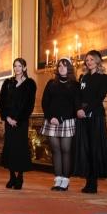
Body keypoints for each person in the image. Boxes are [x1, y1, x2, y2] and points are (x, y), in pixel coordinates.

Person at [73, 50, 107, 193]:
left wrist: (85, 110)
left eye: (91, 59)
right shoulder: (83, 77)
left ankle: (94, 182)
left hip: (95, 116)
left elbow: (99, 98)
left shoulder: (103, 78)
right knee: (85, 148)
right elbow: (77, 96)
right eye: (87, 60)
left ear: (97, 61)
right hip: (82, 117)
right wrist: (78, 109)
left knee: (94, 149)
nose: (89, 62)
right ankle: (88, 181)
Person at [41, 57, 79, 191]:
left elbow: (75, 105)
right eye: (59, 66)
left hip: (67, 121)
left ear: (69, 68)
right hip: (51, 120)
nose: (62, 68)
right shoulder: (51, 83)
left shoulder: (75, 85)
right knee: (55, 150)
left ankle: (65, 180)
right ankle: (58, 179)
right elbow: (45, 102)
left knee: (66, 150)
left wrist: (61, 118)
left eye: (65, 66)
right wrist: (50, 117)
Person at [0, 58, 37, 190]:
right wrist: (7, 118)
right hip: (9, 121)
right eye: (15, 66)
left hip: (21, 122)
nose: (17, 68)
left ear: (24, 68)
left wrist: (18, 120)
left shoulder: (30, 84)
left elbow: (29, 105)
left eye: (19, 66)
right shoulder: (8, 82)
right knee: (10, 148)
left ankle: (20, 176)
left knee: (20, 148)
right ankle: (11, 177)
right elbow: (1, 102)